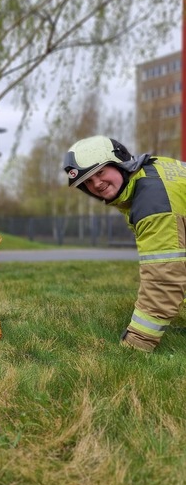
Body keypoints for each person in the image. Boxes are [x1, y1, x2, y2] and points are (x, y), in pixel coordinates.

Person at [63, 135, 186, 352]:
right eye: (87, 182)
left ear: (119, 161)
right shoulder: (151, 173)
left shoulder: (152, 202)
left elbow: (164, 279)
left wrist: (137, 343)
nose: (96, 184)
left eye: (99, 172)